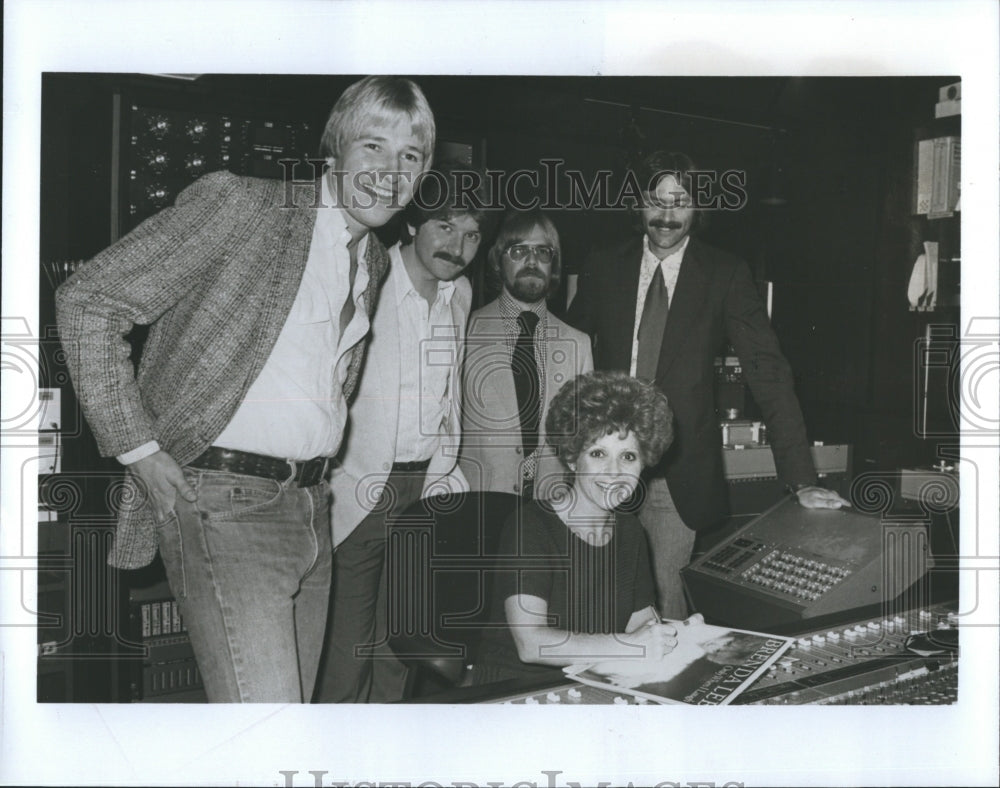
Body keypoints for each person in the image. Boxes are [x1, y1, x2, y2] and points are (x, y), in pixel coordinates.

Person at [55, 76, 435, 702]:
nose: (391, 171)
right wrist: (138, 450)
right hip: (225, 501)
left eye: (411, 156)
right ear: (335, 150)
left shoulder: (372, 258)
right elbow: (89, 301)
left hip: (313, 508)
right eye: (374, 146)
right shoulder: (246, 207)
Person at [567, 150, 849, 619]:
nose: (666, 215)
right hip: (603, 465)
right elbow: (571, 361)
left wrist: (801, 479)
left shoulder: (725, 273)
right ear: (637, 203)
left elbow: (769, 375)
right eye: (655, 200)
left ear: (699, 208)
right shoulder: (604, 264)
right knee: (594, 599)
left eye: (680, 201)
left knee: (665, 606)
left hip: (675, 476)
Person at [315, 161, 493, 703]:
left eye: (471, 235)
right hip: (362, 484)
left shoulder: (458, 294)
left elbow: (446, 397)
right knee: (345, 650)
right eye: (444, 227)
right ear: (412, 224)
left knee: (400, 648)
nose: (457, 247)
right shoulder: (368, 275)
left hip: (427, 488)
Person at [472, 371, 678, 684]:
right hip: (514, 686)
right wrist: (629, 646)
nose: (614, 472)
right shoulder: (531, 526)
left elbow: (641, 622)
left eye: (628, 456)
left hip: (594, 679)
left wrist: (673, 637)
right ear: (571, 458)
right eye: (598, 454)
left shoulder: (630, 531)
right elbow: (531, 643)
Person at [459, 209, 593, 501]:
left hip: (551, 509)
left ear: (553, 264)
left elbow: (582, 443)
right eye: (519, 250)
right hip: (481, 506)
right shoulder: (463, 333)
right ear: (498, 259)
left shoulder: (578, 344)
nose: (532, 262)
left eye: (543, 252)